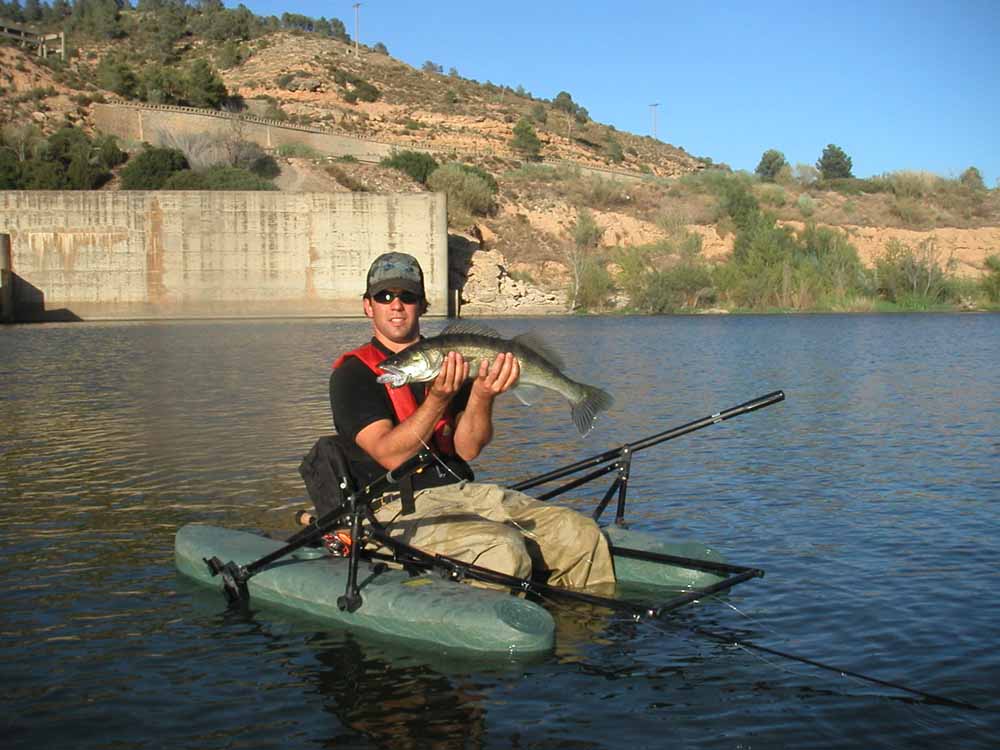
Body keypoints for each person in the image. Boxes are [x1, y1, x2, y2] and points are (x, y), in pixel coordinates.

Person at [329, 251, 615, 589]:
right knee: (503, 550)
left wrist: (482, 393)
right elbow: (391, 455)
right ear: (368, 306)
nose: (396, 305)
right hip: (396, 511)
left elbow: (467, 449)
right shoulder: (354, 375)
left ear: (423, 305)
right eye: (384, 296)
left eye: (408, 296)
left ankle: (585, 622)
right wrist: (438, 398)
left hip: (462, 493)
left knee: (581, 534)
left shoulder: (453, 360)